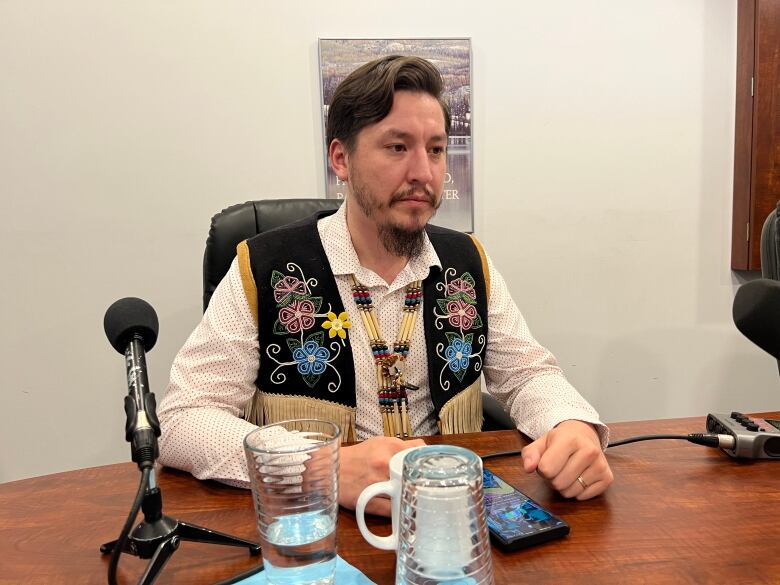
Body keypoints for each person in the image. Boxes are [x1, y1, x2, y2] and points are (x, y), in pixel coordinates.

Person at [157, 55, 613, 516]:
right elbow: (182, 421)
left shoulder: (467, 261)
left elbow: (528, 374)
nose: (423, 172)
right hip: (313, 525)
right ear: (341, 158)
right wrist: (319, 467)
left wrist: (569, 423)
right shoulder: (263, 267)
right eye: (398, 147)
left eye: (436, 150)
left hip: (446, 518)